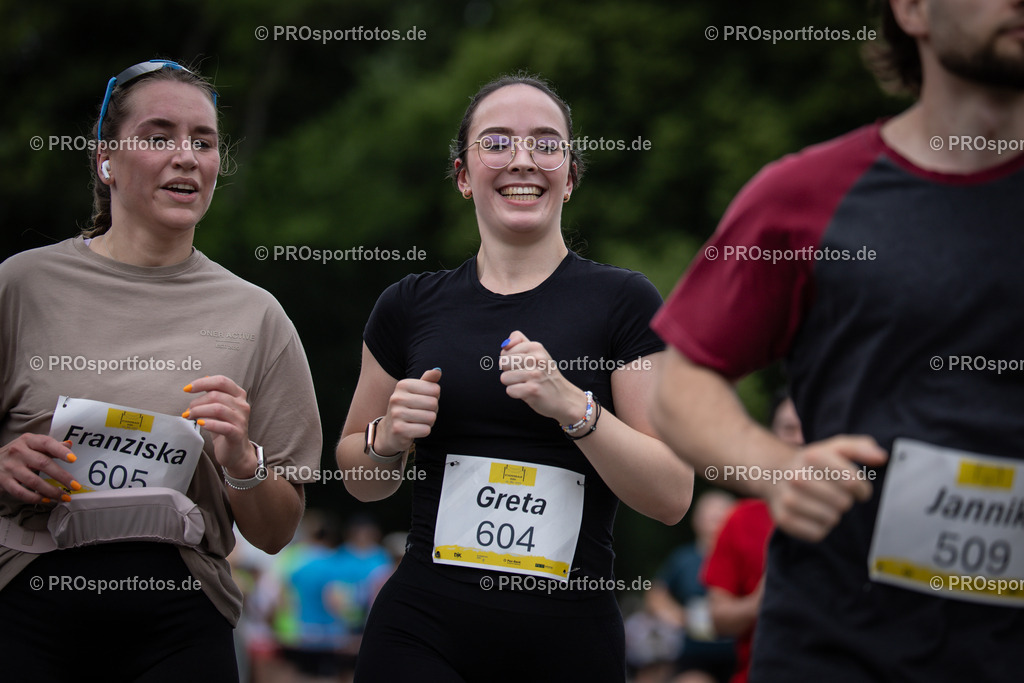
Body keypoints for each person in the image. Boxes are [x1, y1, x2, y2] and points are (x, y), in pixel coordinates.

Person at [649, 0, 1024, 679]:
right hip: (840, 651)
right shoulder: (807, 196)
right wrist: (773, 466)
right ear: (911, 9)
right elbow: (680, 382)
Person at [335, 73, 694, 682]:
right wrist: (387, 439)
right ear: (461, 174)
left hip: (568, 639)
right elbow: (357, 479)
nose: (522, 159)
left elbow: (671, 496)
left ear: (571, 177)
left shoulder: (625, 302)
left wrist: (573, 408)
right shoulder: (407, 305)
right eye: (496, 142)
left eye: (546, 143)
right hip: (422, 633)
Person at [0, 59, 321, 680]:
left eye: (203, 141)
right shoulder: (20, 284)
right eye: (159, 136)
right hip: (25, 604)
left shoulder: (257, 316)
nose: (186, 156)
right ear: (105, 160)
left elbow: (277, 533)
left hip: (180, 620)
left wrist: (242, 464)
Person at [701, 395, 802, 683]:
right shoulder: (740, 519)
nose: (799, 438)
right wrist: (762, 600)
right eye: (789, 428)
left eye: (808, 426)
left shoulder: (861, 513)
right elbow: (717, 619)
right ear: (771, 437)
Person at [645, 490, 736, 683]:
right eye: (710, 516)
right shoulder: (684, 559)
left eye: (721, 515)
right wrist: (677, 616)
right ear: (697, 520)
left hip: (742, 654)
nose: (716, 522)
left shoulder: (745, 558)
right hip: (696, 655)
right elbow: (656, 594)